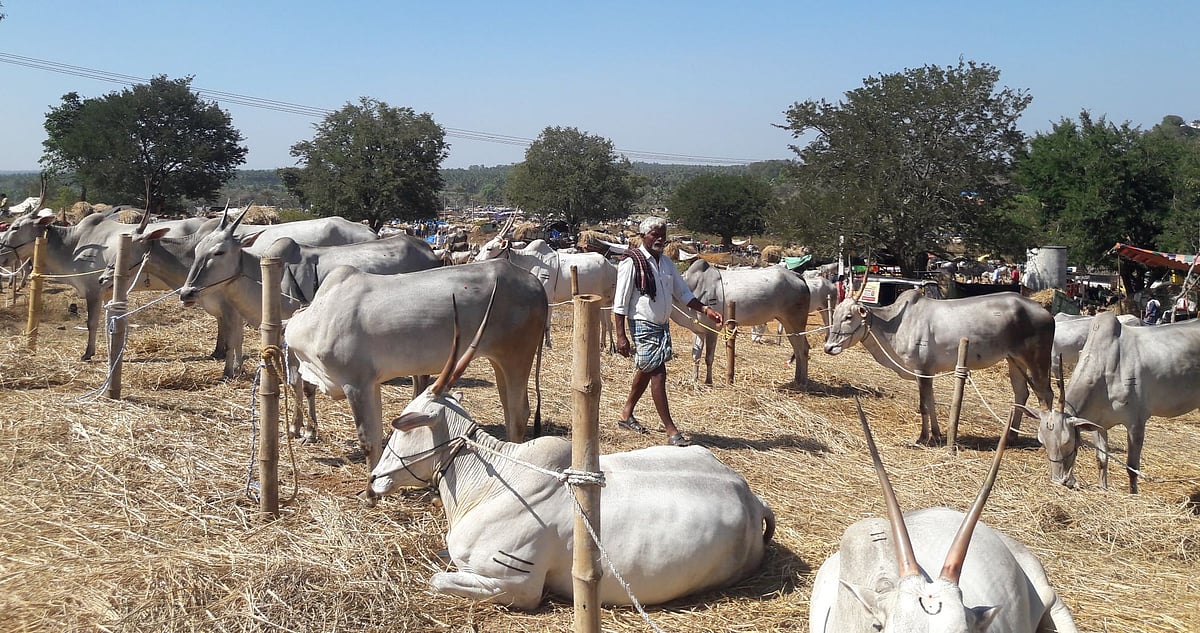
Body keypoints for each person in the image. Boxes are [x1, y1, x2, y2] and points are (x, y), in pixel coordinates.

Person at [613, 217, 722, 447]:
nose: (660, 239)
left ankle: (626, 414)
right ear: (643, 236)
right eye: (655, 234)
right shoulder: (631, 262)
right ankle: (671, 431)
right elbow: (620, 303)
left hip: (661, 325)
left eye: (663, 234)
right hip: (643, 324)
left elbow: (683, 294)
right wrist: (621, 335)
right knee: (658, 373)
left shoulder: (666, 263)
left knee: (647, 368)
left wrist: (705, 310)